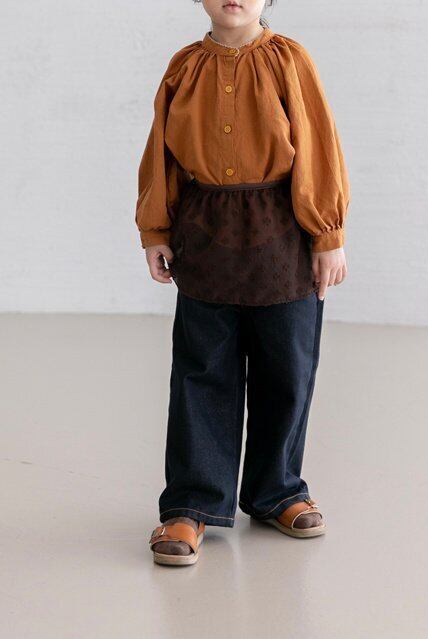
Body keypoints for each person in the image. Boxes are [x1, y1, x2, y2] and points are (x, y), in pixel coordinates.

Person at [135, 0, 350, 566]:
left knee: (287, 368)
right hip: (204, 231)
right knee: (202, 371)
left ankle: (277, 490)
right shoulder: (184, 67)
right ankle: (192, 502)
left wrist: (328, 235)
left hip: (283, 231)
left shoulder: (289, 60)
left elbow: (318, 143)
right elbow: (161, 153)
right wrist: (155, 229)